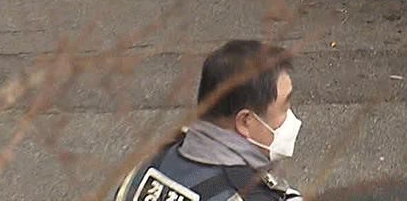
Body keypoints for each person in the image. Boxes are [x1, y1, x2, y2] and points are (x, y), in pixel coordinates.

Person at [112, 40, 304, 201]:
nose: (290, 118)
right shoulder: (246, 194)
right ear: (245, 121)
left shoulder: (149, 167)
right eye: (284, 107)